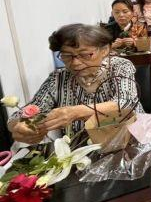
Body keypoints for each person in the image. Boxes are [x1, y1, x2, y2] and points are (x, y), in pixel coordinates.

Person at [8, 24, 143, 143]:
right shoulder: (59, 78)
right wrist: (20, 127)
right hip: (81, 151)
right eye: (67, 56)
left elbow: (126, 102)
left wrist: (75, 112)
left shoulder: (120, 66)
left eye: (84, 54)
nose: (75, 63)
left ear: (104, 50)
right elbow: (20, 115)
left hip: (129, 140)